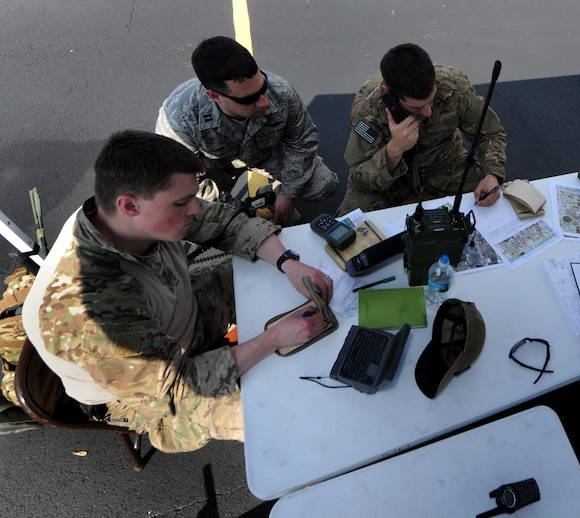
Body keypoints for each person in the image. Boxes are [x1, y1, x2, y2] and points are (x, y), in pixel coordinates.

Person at [35, 130, 334, 453]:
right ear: (129, 205)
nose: (195, 208)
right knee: (290, 416)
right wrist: (271, 340)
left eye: (193, 197)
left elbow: (226, 223)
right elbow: (176, 391)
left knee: (264, 273)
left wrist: (288, 264)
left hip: (179, 314)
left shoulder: (131, 215)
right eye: (182, 202)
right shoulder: (93, 310)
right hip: (152, 394)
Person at [156, 36, 338, 226]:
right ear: (214, 96)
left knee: (323, 184)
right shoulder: (179, 119)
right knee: (191, 213)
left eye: (263, 88)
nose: (264, 102)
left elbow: (302, 141)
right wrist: (241, 215)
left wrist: (288, 194)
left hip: (264, 153)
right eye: (248, 98)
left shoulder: (281, 91)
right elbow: (182, 183)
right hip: (216, 166)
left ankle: (270, 197)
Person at [337, 43, 507, 216]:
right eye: (416, 107)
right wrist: (394, 150)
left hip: (443, 163)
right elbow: (359, 179)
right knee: (349, 227)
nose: (428, 112)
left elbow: (491, 133)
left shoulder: (453, 88)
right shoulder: (367, 111)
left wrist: (492, 173)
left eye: (431, 100)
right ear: (388, 94)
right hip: (390, 179)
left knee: (494, 204)